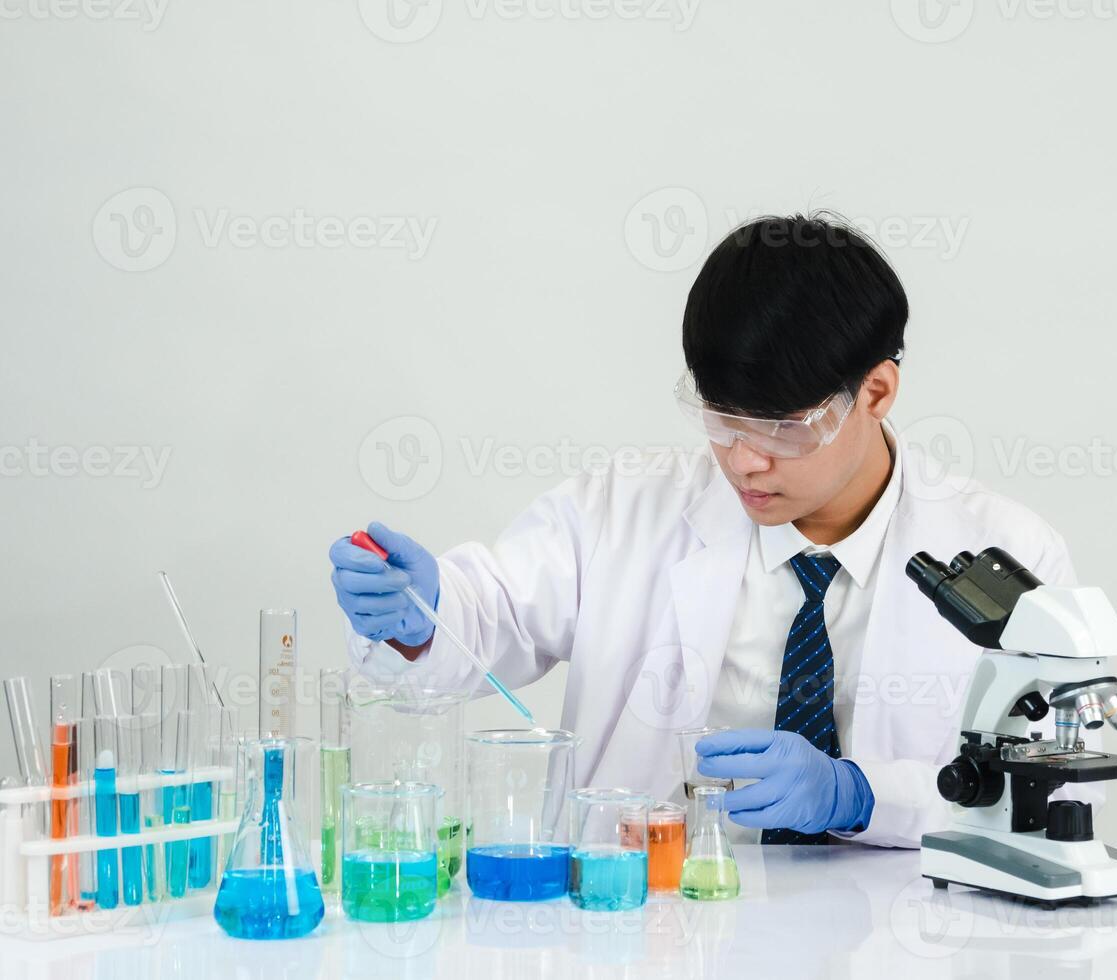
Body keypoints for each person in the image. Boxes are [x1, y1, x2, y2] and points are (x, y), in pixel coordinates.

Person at [329, 213, 1079, 847]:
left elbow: (1062, 785)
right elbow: (487, 613)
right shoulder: (620, 508)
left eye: (784, 426)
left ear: (876, 390)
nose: (745, 461)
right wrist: (420, 617)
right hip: (647, 918)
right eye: (722, 418)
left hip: (895, 932)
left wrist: (858, 796)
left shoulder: (1010, 554)